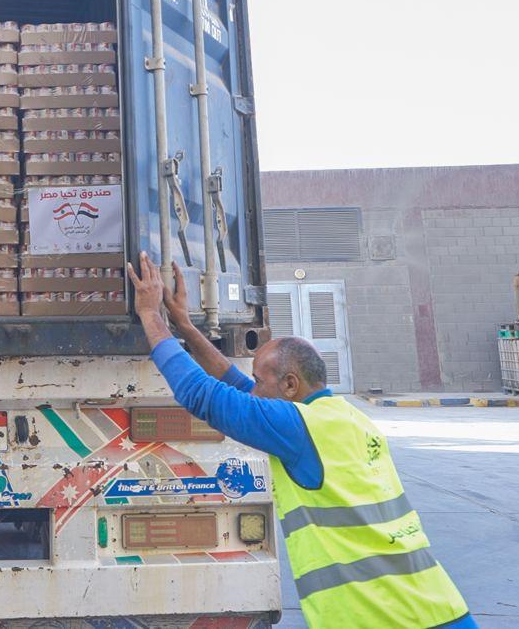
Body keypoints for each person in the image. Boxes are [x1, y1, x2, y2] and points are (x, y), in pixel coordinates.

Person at [128, 252, 475, 629]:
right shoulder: (346, 419)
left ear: (291, 385)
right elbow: (237, 385)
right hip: (440, 610)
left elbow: (202, 395)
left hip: (385, 619)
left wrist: (150, 315)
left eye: (262, 380)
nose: (254, 390)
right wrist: (185, 326)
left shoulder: (297, 429)